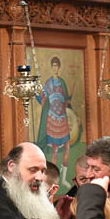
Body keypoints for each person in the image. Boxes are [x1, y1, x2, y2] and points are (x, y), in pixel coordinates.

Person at [37, 57, 73, 189]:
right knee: (55, 151)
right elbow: (42, 99)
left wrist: (68, 101)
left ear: (59, 67)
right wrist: (37, 93)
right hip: (52, 118)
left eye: (57, 66)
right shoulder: (48, 83)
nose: (55, 68)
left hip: (62, 118)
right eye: (53, 66)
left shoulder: (62, 82)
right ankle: (53, 182)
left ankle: (63, 179)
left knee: (67, 147)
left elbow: (66, 100)